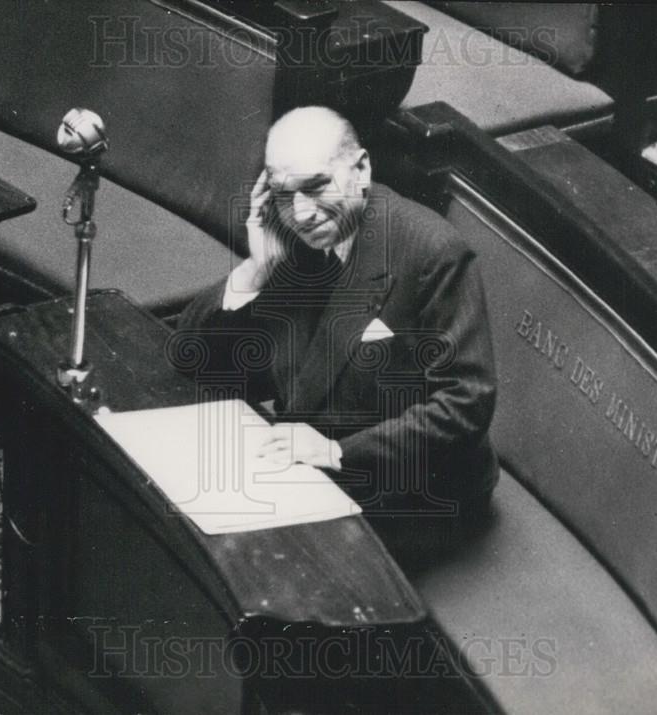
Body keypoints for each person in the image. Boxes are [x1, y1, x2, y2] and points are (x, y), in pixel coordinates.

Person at [176, 106, 497, 563]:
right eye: (285, 195)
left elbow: (466, 404)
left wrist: (335, 452)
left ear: (361, 169)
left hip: (410, 492)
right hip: (308, 460)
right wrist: (255, 270)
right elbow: (192, 359)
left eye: (316, 186)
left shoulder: (433, 252)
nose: (302, 213)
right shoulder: (294, 241)